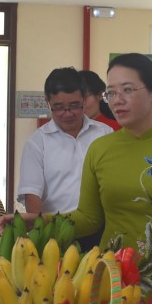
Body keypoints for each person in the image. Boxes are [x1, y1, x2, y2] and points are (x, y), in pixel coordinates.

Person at [14, 55, 152, 304]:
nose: (117, 99)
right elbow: (89, 218)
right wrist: (41, 221)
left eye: (127, 90)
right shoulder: (100, 149)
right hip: (110, 280)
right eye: (111, 92)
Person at [17, 67, 112, 215]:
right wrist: (43, 231)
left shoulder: (104, 134)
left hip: (101, 227)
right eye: (59, 107)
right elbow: (31, 194)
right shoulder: (37, 143)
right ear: (48, 102)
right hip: (58, 230)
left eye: (74, 106)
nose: (67, 114)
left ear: (84, 99)